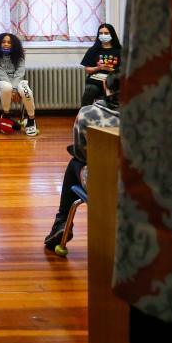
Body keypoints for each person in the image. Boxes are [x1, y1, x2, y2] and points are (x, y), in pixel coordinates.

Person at [44, 78, 120, 251]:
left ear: (105, 86)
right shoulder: (144, 117)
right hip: (135, 187)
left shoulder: (87, 113)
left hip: (103, 185)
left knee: (74, 163)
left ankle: (62, 223)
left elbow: (80, 153)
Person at [0, 32, 38, 136]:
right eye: (3, 42)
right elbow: (1, 74)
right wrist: (12, 89)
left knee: (26, 91)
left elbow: (19, 73)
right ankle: (6, 115)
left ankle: (31, 119)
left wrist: (15, 89)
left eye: (9, 42)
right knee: (7, 86)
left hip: (17, 81)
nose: (6, 44)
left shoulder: (20, 56)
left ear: (13, 44)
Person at [80, 23, 122, 106]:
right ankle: (83, 114)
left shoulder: (119, 50)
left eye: (106, 33)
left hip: (114, 81)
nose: (103, 35)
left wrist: (111, 70)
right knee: (90, 90)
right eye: (101, 33)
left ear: (112, 34)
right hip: (95, 82)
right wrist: (98, 68)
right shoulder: (93, 50)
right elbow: (87, 70)